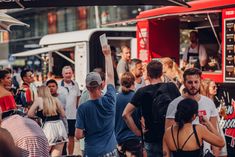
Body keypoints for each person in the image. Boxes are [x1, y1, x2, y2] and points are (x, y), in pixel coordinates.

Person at [122, 60, 180, 157]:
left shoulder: (142, 91)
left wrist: (137, 132)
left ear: (148, 74)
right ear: (162, 73)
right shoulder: (171, 87)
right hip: (171, 137)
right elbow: (181, 107)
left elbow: (125, 114)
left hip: (151, 138)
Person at [75, 45, 118, 156]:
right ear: (102, 85)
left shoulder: (83, 108)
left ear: (87, 87)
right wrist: (107, 55)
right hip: (110, 150)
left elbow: (78, 135)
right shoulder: (110, 99)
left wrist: (88, 132)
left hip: (92, 151)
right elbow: (110, 76)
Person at [165, 68, 219, 156]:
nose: (193, 85)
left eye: (196, 82)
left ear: (200, 82)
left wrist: (216, 155)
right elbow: (168, 135)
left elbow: (214, 133)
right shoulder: (174, 104)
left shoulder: (209, 103)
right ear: (184, 83)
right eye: (190, 82)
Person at [28, 86, 67, 157]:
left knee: (43, 153)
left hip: (47, 128)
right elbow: (63, 114)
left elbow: (29, 114)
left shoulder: (39, 99)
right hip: (59, 127)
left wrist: (37, 117)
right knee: (56, 154)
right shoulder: (56, 99)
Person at [115, 72, 143, 157]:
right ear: (133, 83)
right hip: (135, 139)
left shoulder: (115, 98)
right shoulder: (137, 97)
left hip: (119, 140)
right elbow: (142, 119)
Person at [200, 78, 228, 157]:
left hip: (218, 132)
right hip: (211, 137)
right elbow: (206, 124)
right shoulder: (204, 103)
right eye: (213, 87)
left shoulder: (213, 100)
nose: (216, 88)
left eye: (216, 87)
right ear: (206, 88)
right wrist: (214, 142)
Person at [58, 65, 81, 155]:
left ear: (72, 73)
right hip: (62, 116)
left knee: (71, 137)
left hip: (73, 116)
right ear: (62, 74)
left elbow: (78, 97)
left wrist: (77, 109)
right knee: (63, 138)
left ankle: (70, 155)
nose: (68, 75)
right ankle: (63, 154)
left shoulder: (75, 84)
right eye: (66, 73)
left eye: (70, 73)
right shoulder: (58, 85)